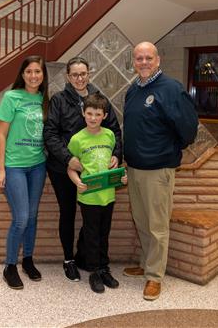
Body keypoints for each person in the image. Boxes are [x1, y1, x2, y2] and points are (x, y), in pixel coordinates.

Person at [123, 42, 198, 300]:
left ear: (157, 60)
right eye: (139, 58)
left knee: (157, 226)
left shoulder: (171, 89)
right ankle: (146, 265)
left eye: (148, 58)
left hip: (158, 169)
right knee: (142, 221)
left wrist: (168, 149)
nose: (143, 62)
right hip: (134, 168)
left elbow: (188, 129)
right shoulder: (133, 90)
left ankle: (154, 277)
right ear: (134, 62)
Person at [43, 56, 122, 282]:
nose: (79, 78)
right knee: (68, 213)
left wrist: (116, 156)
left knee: (94, 216)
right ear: (68, 77)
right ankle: (69, 260)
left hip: (96, 171)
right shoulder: (58, 100)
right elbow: (50, 134)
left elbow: (115, 131)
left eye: (83, 74)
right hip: (63, 169)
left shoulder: (99, 100)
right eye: (75, 74)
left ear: (89, 74)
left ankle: (87, 258)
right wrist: (68, 159)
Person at [0, 55, 49, 290]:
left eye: (38, 71)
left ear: (43, 75)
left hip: (38, 165)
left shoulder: (44, 99)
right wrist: (0, 169)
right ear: (22, 74)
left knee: (33, 216)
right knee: (21, 218)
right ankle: (10, 266)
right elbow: (1, 135)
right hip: (14, 166)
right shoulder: (11, 97)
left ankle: (27, 259)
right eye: (29, 71)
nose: (34, 75)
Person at [67, 93, 127, 293]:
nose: (93, 118)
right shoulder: (77, 139)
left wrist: (120, 176)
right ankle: (93, 272)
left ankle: (104, 269)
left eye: (97, 114)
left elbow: (113, 165)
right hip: (89, 197)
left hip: (108, 196)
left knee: (104, 234)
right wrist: (77, 182)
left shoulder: (109, 135)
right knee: (91, 235)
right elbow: (71, 168)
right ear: (83, 114)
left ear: (104, 115)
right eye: (89, 113)